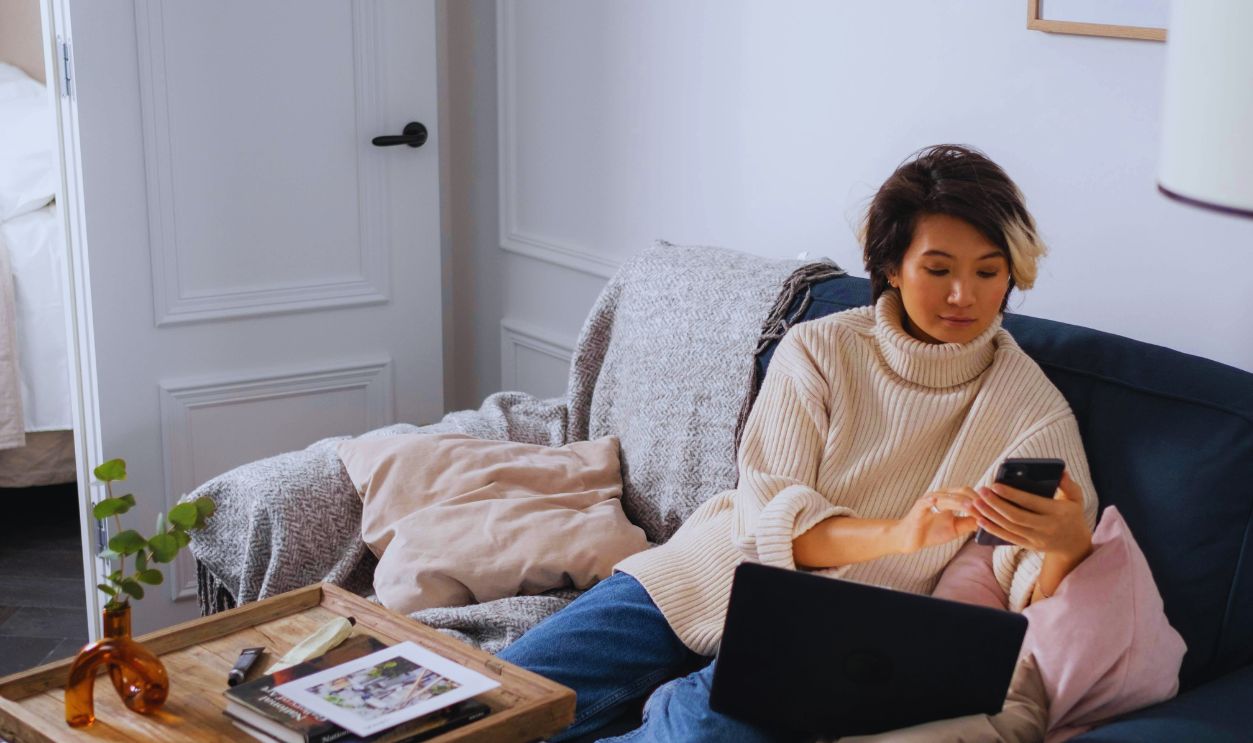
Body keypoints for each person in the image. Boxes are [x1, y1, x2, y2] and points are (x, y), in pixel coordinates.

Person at [498, 144, 1099, 742]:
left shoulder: (1031, 408)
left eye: (988, 272)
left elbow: (1026, 592)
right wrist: (902, 533)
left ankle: (674, 709)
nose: (963, 295)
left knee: (701, 734)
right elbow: (769, 518)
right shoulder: (821, 348)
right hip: (703, 576)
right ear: (891, 267)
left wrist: (1067, 545)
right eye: (938, 270)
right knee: (487, 700)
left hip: (825, 643)